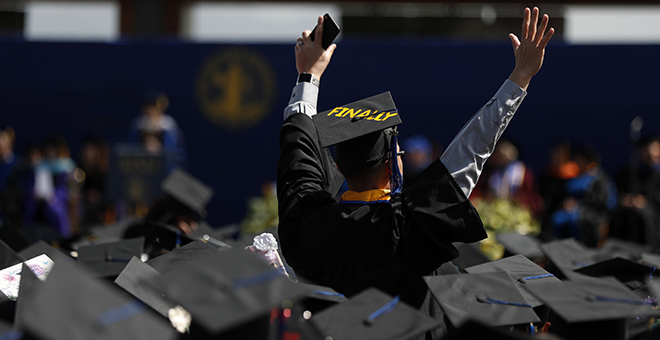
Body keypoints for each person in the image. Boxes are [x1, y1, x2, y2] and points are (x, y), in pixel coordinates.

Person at [277, 8, 553, 338]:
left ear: (337, 167)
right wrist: (520, 76)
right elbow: (470, 151)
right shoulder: (407, 229)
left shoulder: (306, 227)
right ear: (395, 163)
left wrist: (307, 76)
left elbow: (299, 157)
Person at [128, 89, 188, 170]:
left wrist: (160, 149)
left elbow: (177, 155)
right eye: (148, 108)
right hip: (142, 169)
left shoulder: (169, 127)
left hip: (165, 169)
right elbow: (130, 150)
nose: (151, 112)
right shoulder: (137, 125)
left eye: (154, 108)